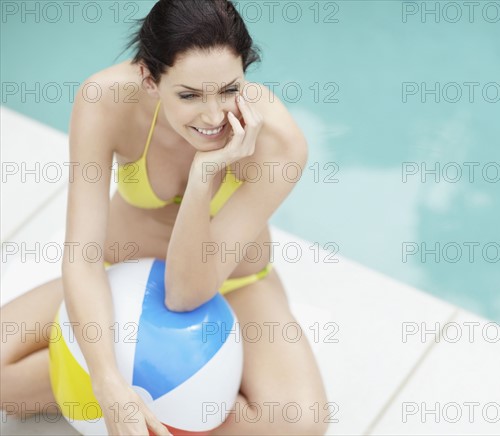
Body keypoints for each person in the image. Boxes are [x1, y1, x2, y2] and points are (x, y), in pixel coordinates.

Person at [0, 0, 329, 434]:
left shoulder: (279, 144)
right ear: (149, 79)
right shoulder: (106, 101)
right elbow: (82, 255)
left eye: (230, 89)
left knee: (301, 421)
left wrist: (204, 174)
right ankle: (130, 394)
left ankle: (150, 400)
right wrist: (107, 381)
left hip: (230, 283)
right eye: (189, 95)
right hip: (120, 272)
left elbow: (185, 293)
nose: (214, 116)